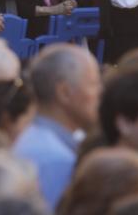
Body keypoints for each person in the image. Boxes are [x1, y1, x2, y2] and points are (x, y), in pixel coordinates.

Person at [14, 44, 101, 210]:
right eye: (94, 84)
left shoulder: (41, 140)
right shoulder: (54, 159)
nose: (100, 92)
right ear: (64, 92)